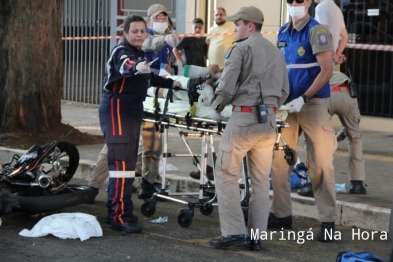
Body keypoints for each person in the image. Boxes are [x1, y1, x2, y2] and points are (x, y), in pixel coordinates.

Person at [209, 6, 289, 251]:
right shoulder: (277, 53)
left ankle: (234, 232)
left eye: (238, 24)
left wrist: (216, 106)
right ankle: (256, 237)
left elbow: (227, 86)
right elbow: (285, 90)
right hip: (269, 122)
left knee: (225, 175)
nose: (235, 28)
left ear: (250, 26)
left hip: (243, 119)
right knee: (260, 182)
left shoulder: (240, 48)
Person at [99, 14, 178, 233]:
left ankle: (116, 210)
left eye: (143, 31)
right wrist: (137, 67)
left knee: (127, 163)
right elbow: (127, 67)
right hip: (117, 108)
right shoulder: (122, 51)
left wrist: (176, 84)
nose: (139, 35)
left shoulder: (139, 52)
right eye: (134, 31)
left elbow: (148, 77)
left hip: (132, 109)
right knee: (122, 165)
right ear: (125, 33)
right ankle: (119, 217)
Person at [267, 0, 337, 242]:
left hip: (313, 104)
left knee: (320, 163)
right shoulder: (283, 31)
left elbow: (326, 71)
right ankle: (281, 215)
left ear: (308, 2)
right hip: (287, 106)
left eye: (298, 0)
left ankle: (328, 222)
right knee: (279, 161)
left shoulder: (317, 31)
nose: (293, 4)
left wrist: (305, 97)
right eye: (289, 0)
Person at [297, 0, 366, 197]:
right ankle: (357, 182)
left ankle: (315, 183)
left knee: (314, 138)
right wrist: (337, 54)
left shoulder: (319, 8)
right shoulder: (336, 9)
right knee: (355, 136)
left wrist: (328, 55)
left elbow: (322, 34)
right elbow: (343, 36)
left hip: (324, 88)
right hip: (343, 86)